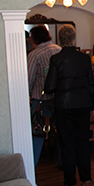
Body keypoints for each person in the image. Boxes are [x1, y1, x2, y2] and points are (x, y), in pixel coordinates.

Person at [44, 24, 94, 186]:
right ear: (74, 39)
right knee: (82, 142)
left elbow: (50, 86)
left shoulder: (56, 60)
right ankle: (87, 180)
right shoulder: (85, 58)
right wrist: (92, 105)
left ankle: (69, 183)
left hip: (63, 105)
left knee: (67, 143)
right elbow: (91, 85)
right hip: (83, 104)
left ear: (60, 39)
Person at [27, 25, 61, 165]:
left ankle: (32, 167)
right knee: (60, 131)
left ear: (34, 38)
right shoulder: (59, 49)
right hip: (58, 99)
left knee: (38, 134)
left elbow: (29, 79)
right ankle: (63, 163)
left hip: (40, 100)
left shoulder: (34, 55)